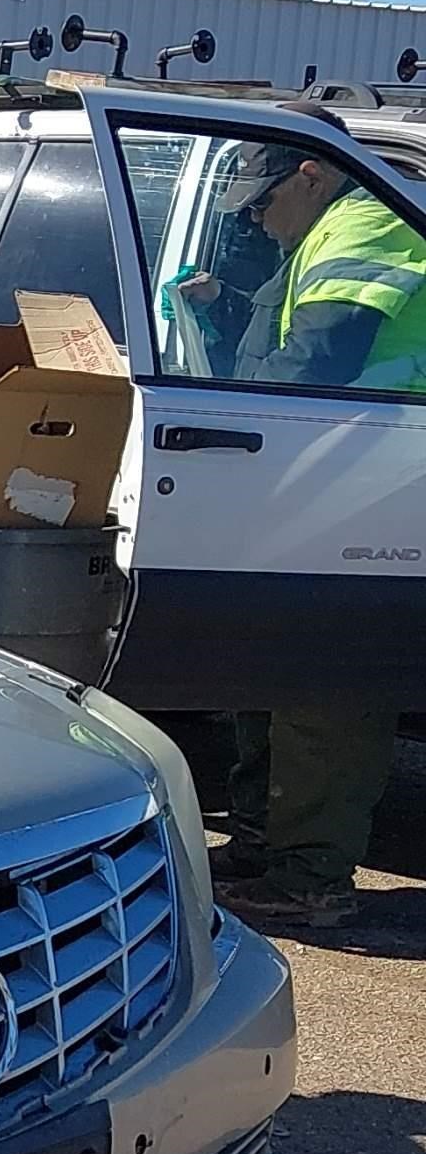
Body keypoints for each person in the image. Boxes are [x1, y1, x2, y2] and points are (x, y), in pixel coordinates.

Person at [174, 105, 426, 929]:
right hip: (315, 474)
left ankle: (312, 874)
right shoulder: (324, 235)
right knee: (267, 671)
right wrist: (223, 308)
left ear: (311, 172)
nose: (253, 216)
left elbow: (322, 360)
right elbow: (286, 339)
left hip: (367, 483)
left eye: (261, 200)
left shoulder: (371, 227)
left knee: (326, 686)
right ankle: (264, 845)